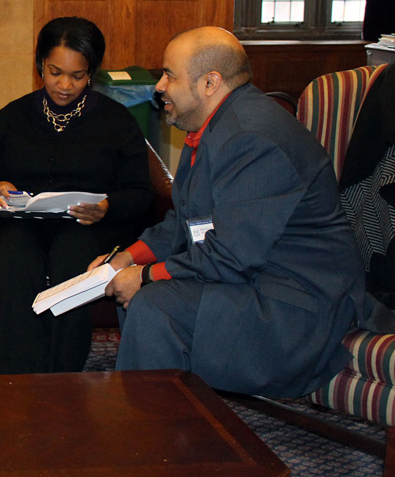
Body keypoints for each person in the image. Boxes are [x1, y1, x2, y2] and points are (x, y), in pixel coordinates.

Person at [92, 26, 392, 398]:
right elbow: (186, 222)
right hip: (252, 279)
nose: (159, 86)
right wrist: (127, 258)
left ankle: (155, 436)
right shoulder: (211, 125)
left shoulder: (252, 138)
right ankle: (172, 425)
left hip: (296, 306)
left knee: (156, 304)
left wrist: (148, 276)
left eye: (169, 74)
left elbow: (232, 255)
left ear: (210, 82)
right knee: (144, 295)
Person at [0, 17, 153, 374]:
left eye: (78, 75)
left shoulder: (116, 121)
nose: (65, 85)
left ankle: (62, 374)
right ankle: (16, 375)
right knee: (16, 257)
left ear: (93, 73)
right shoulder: (14, 117)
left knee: (74, 253)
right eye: (55, 72)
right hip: (24, 224)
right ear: (40, 64)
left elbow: (141, 193)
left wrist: (106, 207)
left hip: (89, 227)